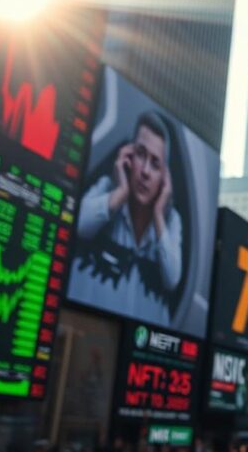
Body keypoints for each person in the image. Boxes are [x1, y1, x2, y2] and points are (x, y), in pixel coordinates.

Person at [72, 111, 183, 326]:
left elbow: (172, 279)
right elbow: (77, 225)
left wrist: (158, 215)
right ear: (128, 156)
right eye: (140, 154)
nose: (145, 171)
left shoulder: (171, 220)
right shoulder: (107, 188)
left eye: (155, 163)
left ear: (164, 177)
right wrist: (120, 194)